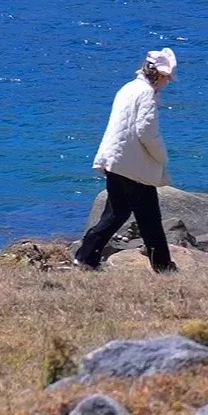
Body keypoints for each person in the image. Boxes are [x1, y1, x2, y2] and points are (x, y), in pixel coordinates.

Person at [73, 47, 178, 273]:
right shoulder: (146, 94)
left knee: (116, 213)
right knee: (149, 218)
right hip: (133, 166)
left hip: (115, 160)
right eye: (167, 78)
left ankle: (85, 257)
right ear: (160, 75)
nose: (167, 83)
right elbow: (146, 130)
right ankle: (163, 267)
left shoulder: (128, 88)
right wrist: (162, 156)